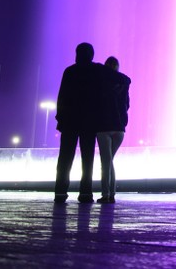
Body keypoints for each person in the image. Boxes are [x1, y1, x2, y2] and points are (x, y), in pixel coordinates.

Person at [54, 42, 107, 204]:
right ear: (92, 55)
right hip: (89, 122)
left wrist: (60, 119)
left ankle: (60, 191)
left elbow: (62, 97)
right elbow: (115, 79)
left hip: (69, 121)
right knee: (88, 159)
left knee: (65, 158)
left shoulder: (70, 71)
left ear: (77, 54)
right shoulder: (97, 70)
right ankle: (85, 193)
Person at [95, 56, 132, 204]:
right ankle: (111, 194)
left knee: (106, 162)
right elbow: (127, 105)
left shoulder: (100, 82)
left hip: (104, 127)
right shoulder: (124, 83)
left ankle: (106, 195)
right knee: (109, 161)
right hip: (119, 128)